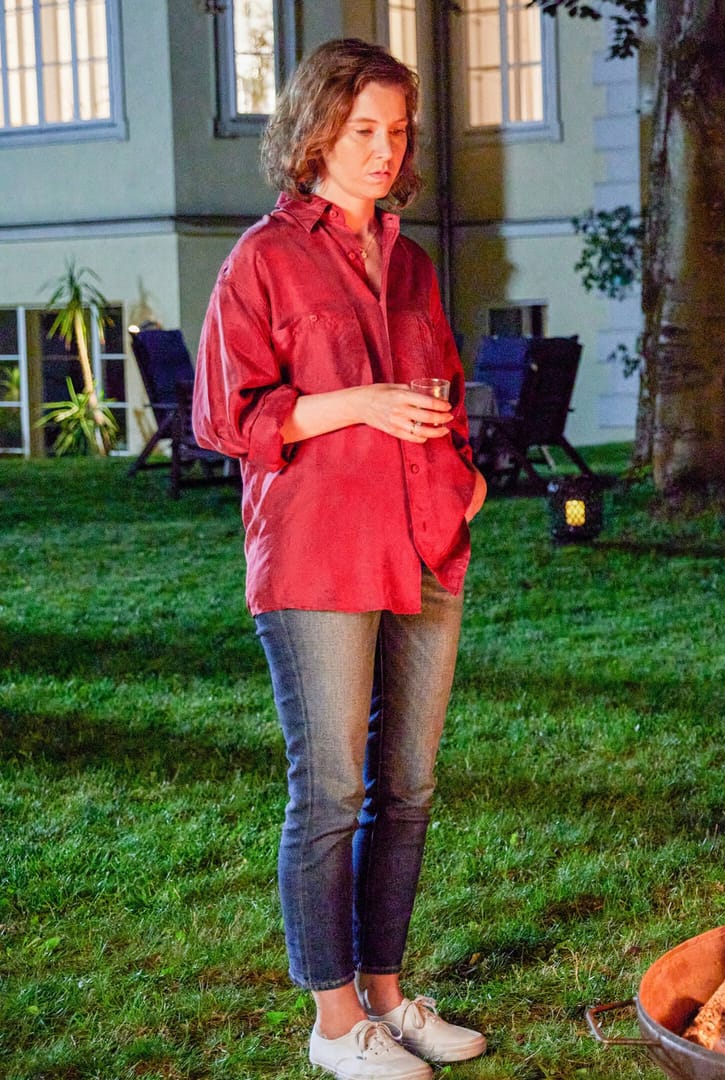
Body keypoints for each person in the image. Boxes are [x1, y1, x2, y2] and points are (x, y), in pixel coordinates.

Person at [193, 39, 489, 1080]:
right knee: (329, 790)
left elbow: (445, 384)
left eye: (397, 131)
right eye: (363, 128)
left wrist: (466, 477)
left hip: (425, 547)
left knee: (405, 788)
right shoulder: (263, 261)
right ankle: (333, 1024)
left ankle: (391, 1000)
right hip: (317, 556)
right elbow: (222, 417)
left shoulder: (408, 263)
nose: (383, 148)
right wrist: (352, 405)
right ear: (316, 131)